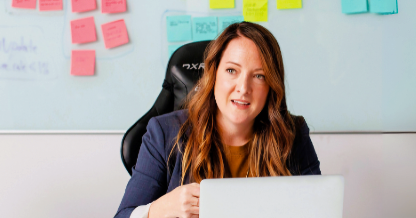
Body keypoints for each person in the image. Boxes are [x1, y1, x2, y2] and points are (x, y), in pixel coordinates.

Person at [114, 22, 321, 218]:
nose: (243, 88)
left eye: (259, 76)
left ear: (271, 86)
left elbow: (320, 210)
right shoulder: (164, 133)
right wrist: (162, 208)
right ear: (213, 74)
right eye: (232, 71)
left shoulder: (293, 134)